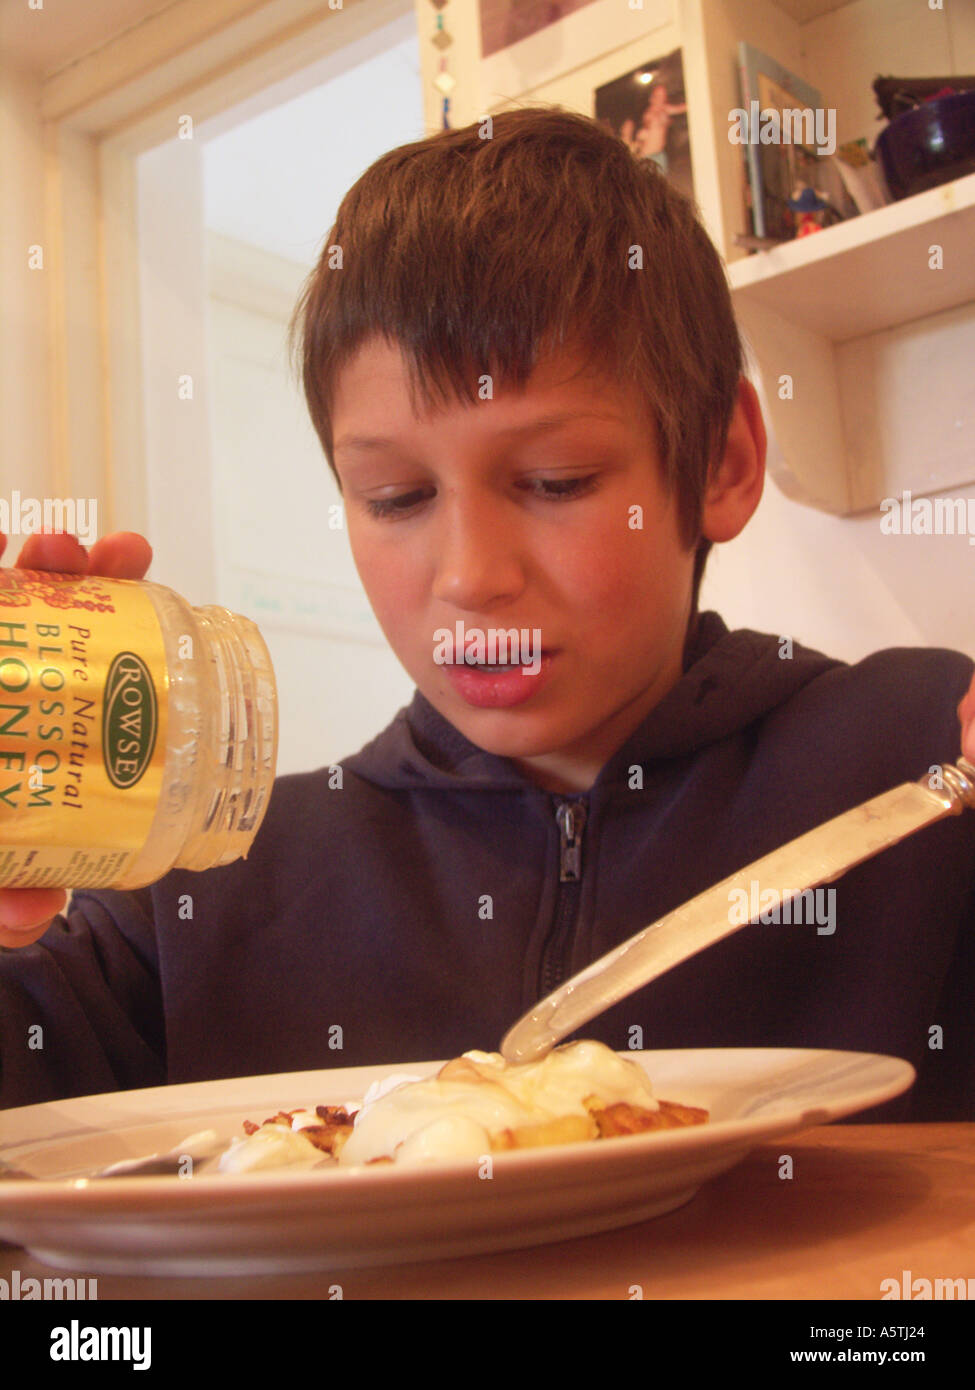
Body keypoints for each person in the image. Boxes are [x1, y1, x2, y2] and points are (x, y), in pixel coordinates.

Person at [2, 108, 974, 1120]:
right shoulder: (205, 883)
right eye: (396, 498)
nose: (469, 576)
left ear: (721, 463)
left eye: (556, 481)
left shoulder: (926, 766)